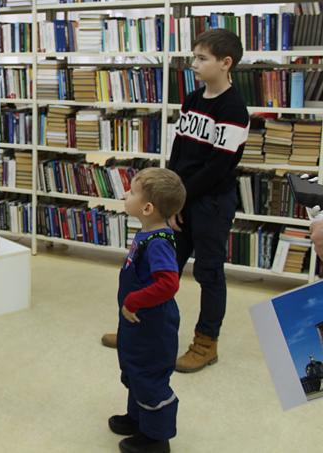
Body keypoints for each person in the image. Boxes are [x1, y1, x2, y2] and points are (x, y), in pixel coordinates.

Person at [102, 29, 248, 374]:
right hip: (182, 199)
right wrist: (171, 199)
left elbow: (217, 167)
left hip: (210, 204)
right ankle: (137, 325)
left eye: (202, 58)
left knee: (209, 273)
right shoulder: (193, 98)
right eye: (194, 56)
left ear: (226, 63)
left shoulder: (233, 108)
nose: (193, 64)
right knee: (159, 268)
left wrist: (179, 201)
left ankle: (206, 343)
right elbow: (179, 150)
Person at [110, 167, 186, 453]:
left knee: (149, 376)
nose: (125, 195)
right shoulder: (146, 231)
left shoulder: (158, 243)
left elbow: (168, 284)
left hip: (152, 325)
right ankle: (138, 418)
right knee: (134, 371)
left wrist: (133, 301)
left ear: (147, 208)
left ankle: (156, 438)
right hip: (136, 323)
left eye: (131, 192)